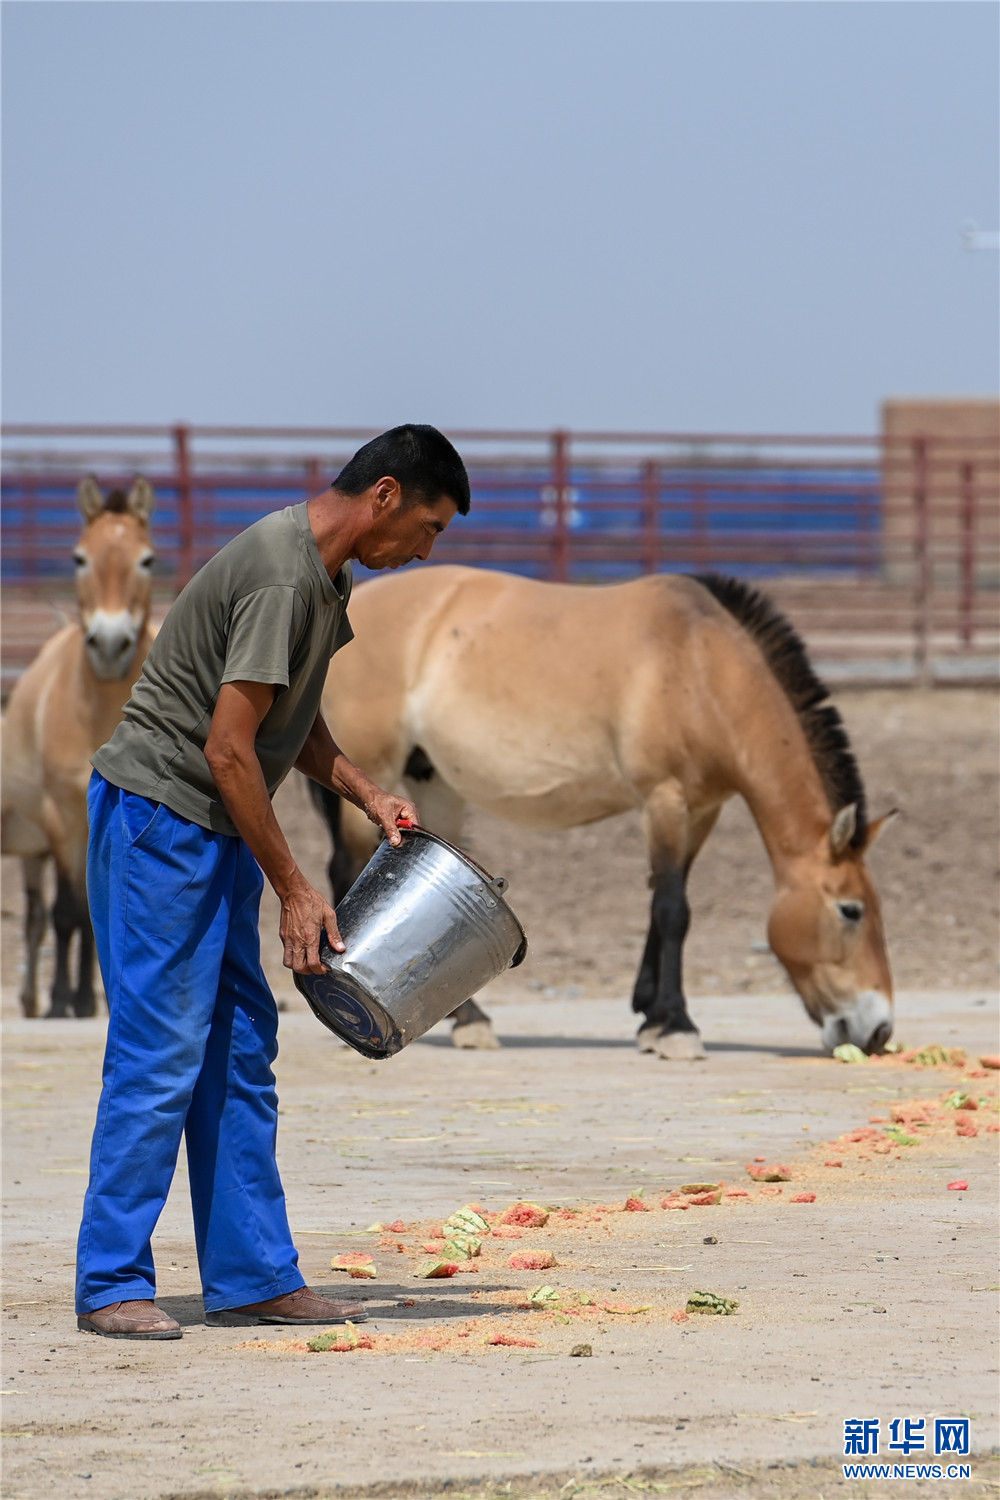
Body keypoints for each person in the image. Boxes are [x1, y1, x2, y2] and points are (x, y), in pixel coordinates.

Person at [75, 424, 470, 1339]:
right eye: (430, 528)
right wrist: (295, 884)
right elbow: (227, 746)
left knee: (239, 1047)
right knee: (162, 1048)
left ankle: (253, 1275)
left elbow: (289, 712)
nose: (424, 550)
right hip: (159, 820)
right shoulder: (285, 571)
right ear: (384, 497)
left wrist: (367, 790)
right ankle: (110, 1282)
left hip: (206, 825)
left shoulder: (320, 577)